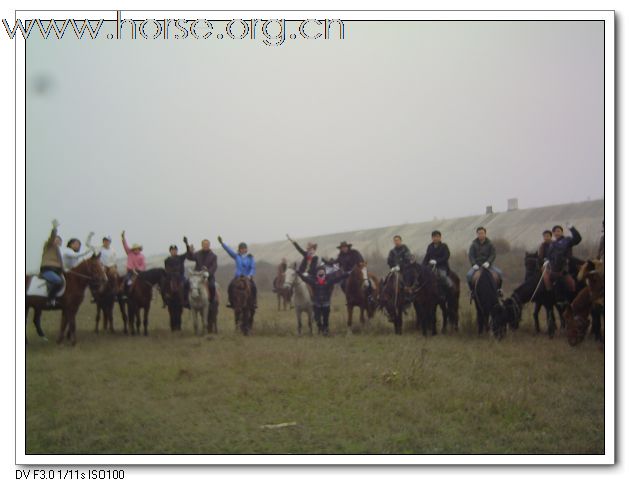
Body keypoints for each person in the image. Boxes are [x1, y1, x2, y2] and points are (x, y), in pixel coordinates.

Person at [298, 265, 350, 336]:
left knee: (326, 319)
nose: (321, 273)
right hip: (317, 304)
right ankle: (320, 327)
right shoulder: (314, 281)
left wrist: (346, 274)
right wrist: (299, 273)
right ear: (317, 273)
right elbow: (305, 279)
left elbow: (338, 278)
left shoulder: (329, 281)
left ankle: (326, 330)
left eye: (323, 272)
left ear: (325, 273)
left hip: (326, 303)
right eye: (320, 271)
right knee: (317, 319)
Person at [218, 236, 257, 308]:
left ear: (246, 249)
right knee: (230, 286)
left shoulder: (250, 257)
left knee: (254, 287)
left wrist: (250, 275)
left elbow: (252, 267)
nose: (242, 250)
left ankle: (254, 302)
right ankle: (230, 301)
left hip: (247, 277)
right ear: (239, 250)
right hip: (238, 276)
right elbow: (229, 250)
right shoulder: (236, 256)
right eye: (241, 249)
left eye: (244, 248)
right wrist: (222, 243)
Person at [543, 224, 582, 293]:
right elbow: (549, 255)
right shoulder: (552, 244)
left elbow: (578, 239)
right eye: (555, 232)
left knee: (572, 284)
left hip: (566, 265)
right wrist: (547, 260)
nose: (557, 233)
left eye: (559, 231)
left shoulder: (567, 240)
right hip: (554, 268)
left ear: (562, 232)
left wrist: (572, 229)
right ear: (553, 234)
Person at [39, 219, 64, 302]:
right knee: (58, 281)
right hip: (48, 269)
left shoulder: (59, 252)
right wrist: (54, 229)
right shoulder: (48, 245)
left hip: (57, 271)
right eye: (56, 239)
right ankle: (50, 299)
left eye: (59, 240)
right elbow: (52, 237)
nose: (57, 241)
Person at [164, 240, 189, 307]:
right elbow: (167, 268)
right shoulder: (167, 260)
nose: (174, 251)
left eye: (175, 250)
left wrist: (186, 243)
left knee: (187, 284)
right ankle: (166, 300)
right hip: (171, 276)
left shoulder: (180, 257)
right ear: (170, 251)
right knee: (165, 284)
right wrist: (171, 273)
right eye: (172, 250)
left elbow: (188, 252)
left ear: (177, 251)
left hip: (180, 276)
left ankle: (186, 300)